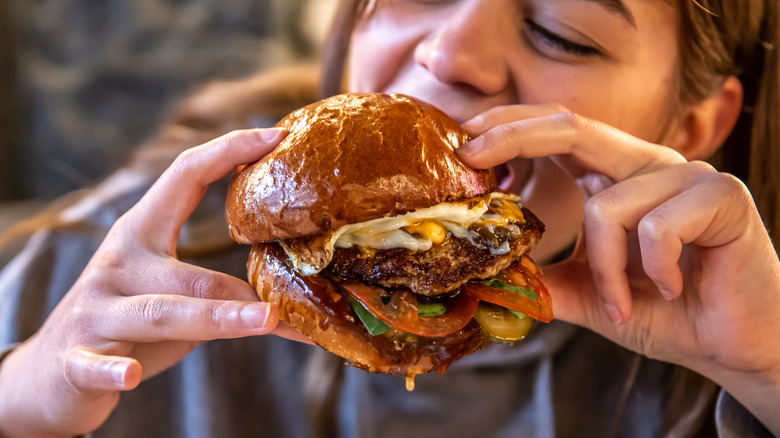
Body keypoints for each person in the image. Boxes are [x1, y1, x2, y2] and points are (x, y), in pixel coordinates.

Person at [0, 0, 778, 436]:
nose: (449, 53)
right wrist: (28, 399)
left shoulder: (738, 331)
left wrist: (767, 370)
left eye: (558, 33)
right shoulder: (132, 254)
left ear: (692, 127)